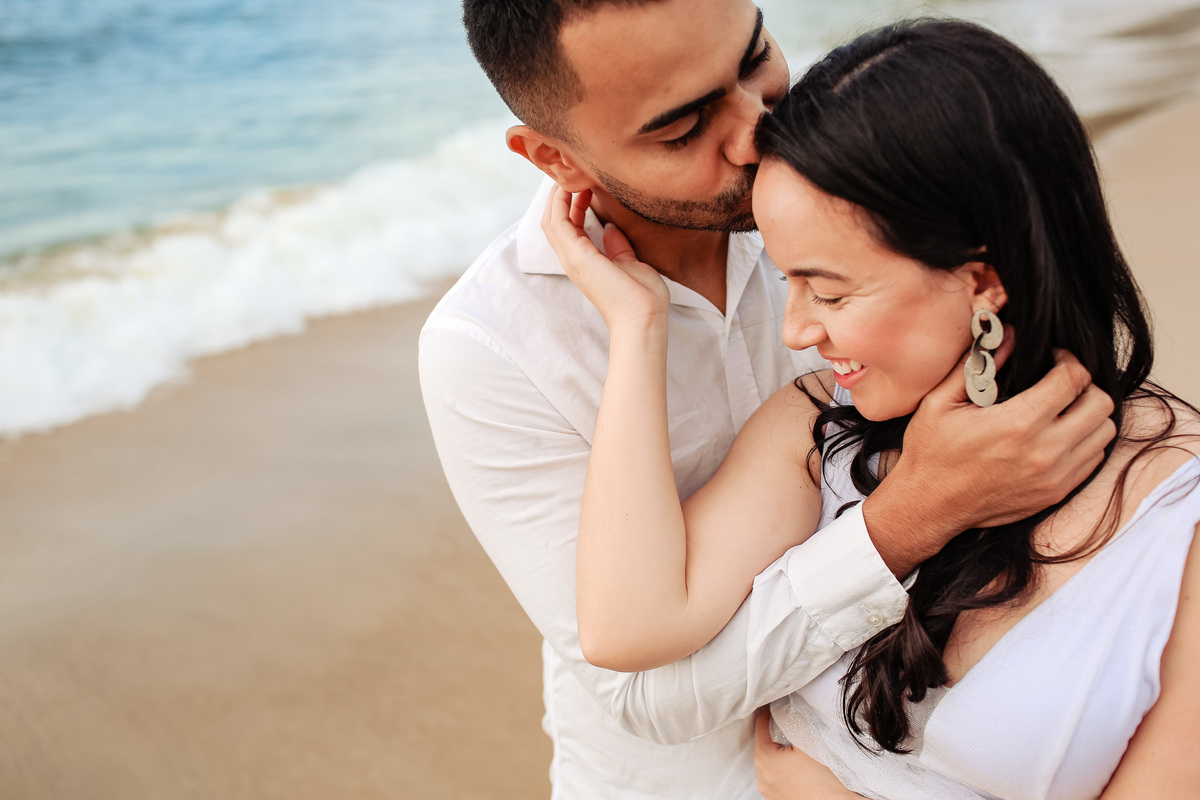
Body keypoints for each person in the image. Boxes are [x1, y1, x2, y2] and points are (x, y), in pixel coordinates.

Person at [420, 2, 1115, 797]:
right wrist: (912, 517)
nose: (756, 133)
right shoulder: (490, 351)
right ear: (554, 158)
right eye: (683, 129)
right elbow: (645, 696)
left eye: (755, 62)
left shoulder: (854, 196)